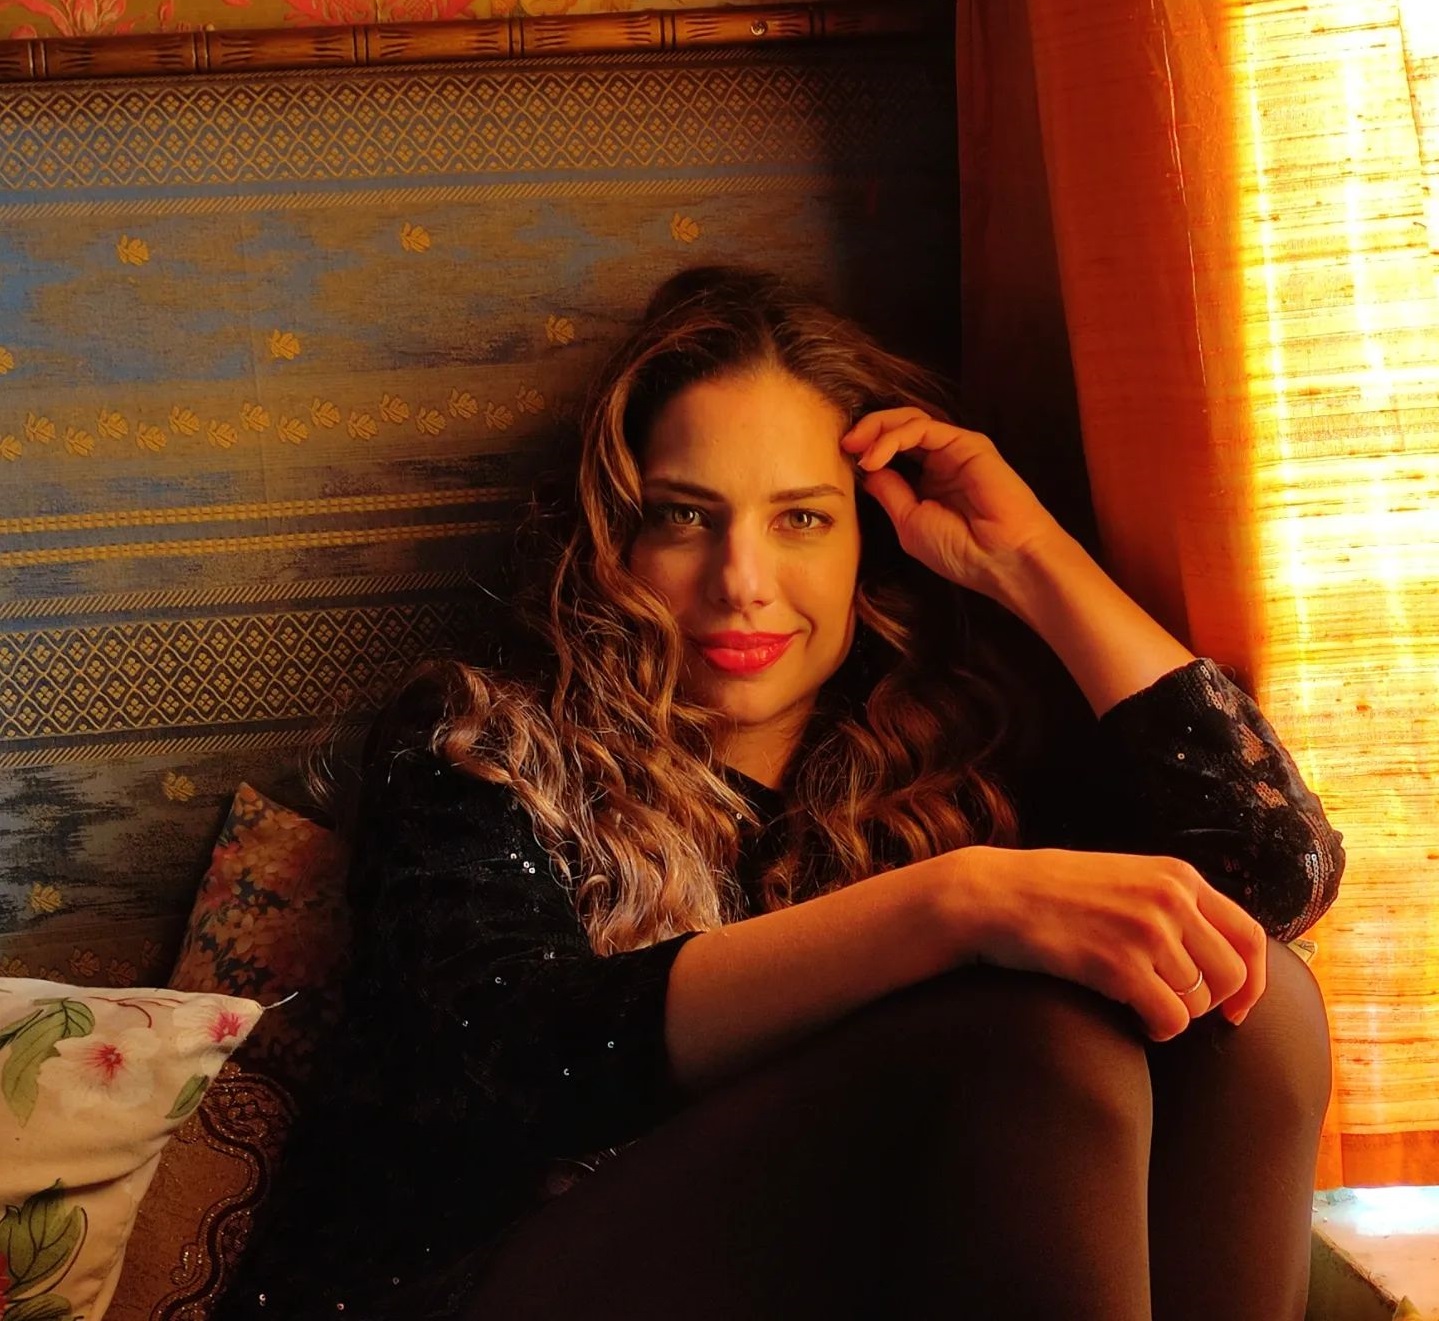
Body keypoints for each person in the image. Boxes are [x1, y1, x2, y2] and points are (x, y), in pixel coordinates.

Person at [220, 266, 1344, 1321]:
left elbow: (1266, 875)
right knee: (1027, 1039)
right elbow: (520, 1053)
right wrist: (951, 906)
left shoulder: (953, 757)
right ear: (612, 538)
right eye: (683, 515)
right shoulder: (480, 740)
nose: (741, 583)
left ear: (869, 543)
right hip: (471, 1284)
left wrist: (1030, 555)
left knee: (1251, 1000)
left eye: (800, 517)